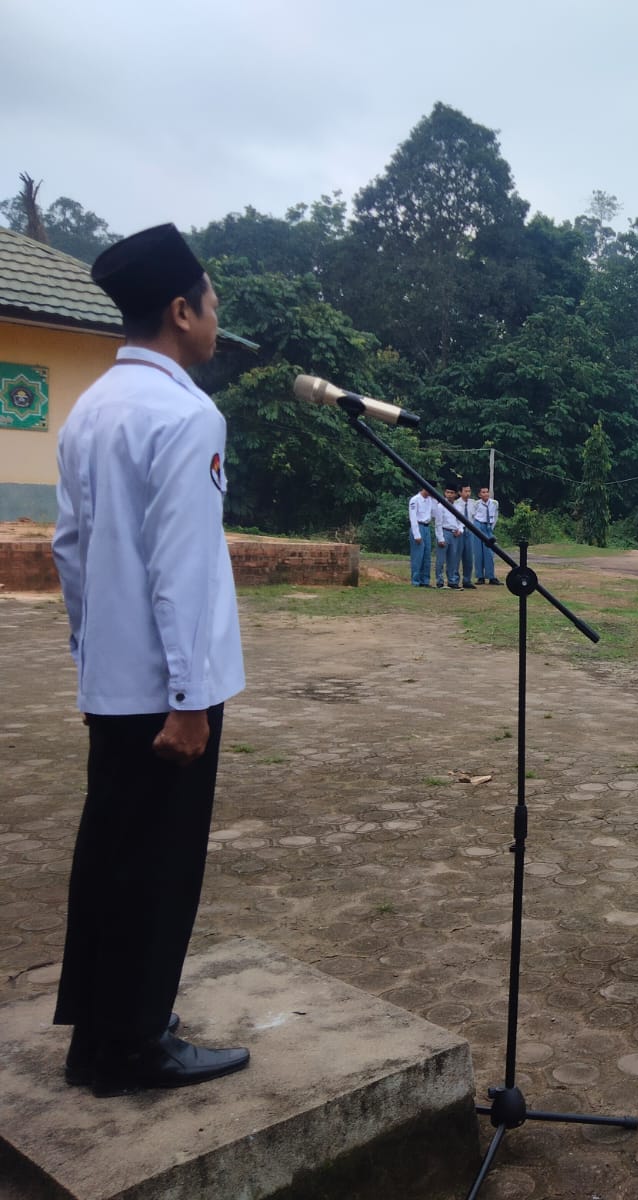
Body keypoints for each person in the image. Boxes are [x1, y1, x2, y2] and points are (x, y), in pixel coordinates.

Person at [52, 223, 250, 1094]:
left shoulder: (90, 407)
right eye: (211, 302)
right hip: (169, 693)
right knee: (160, 867)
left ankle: (98, 1033)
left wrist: (93, 658)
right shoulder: (185, 412)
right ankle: (135, 1047)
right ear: (180, 310)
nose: (217, 316)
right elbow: (183, 567)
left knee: (109, 858)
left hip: (111, 682)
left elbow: (68, 551)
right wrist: (187, 698)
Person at [437, 486, 466, 588]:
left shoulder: (458, 507)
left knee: (453, 559)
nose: (449, 495)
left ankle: (452, 581)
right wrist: (440, 538)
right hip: (444, 532)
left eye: (452, 493)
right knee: (441, 559)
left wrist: (460, 530)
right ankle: (439, 581)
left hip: (454, 533)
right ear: (445, 493)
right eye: (448, 492)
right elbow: (438, 523)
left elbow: (461, 521)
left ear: (455, 494)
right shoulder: (441, 506)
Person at [408, 485, 435, 587]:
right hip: (418, 526)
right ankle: (416, 580)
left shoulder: (430, 500)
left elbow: (434, 512)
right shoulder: (415, 500)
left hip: (427, 527)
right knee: (418, 555)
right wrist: (416, 534)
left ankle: (425, 580)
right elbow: (413, 517)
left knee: (426, 555)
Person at [474, 486, 500, 585]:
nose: (485, 494)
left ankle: (491, 576)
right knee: (478, 552)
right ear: (479, 495)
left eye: (487, 492)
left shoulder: (494, 503)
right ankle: (480, 577)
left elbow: (496, 515)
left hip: (488, 526)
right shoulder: (476, 504)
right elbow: (473, 515)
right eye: (483, 492)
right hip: (478, 525)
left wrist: (491, 527)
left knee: (489, 552)